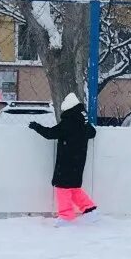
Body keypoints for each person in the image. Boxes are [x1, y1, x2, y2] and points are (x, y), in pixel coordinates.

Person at [30, 93, 98, 222]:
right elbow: (92, 133)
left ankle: (66, 216)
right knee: (73, 187)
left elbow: (50, 133)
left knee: (62, 188)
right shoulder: (84, 123)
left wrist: (36, 127)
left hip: (66, 161)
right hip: (78, 161)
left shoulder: (68, 123)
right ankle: (90, 209)